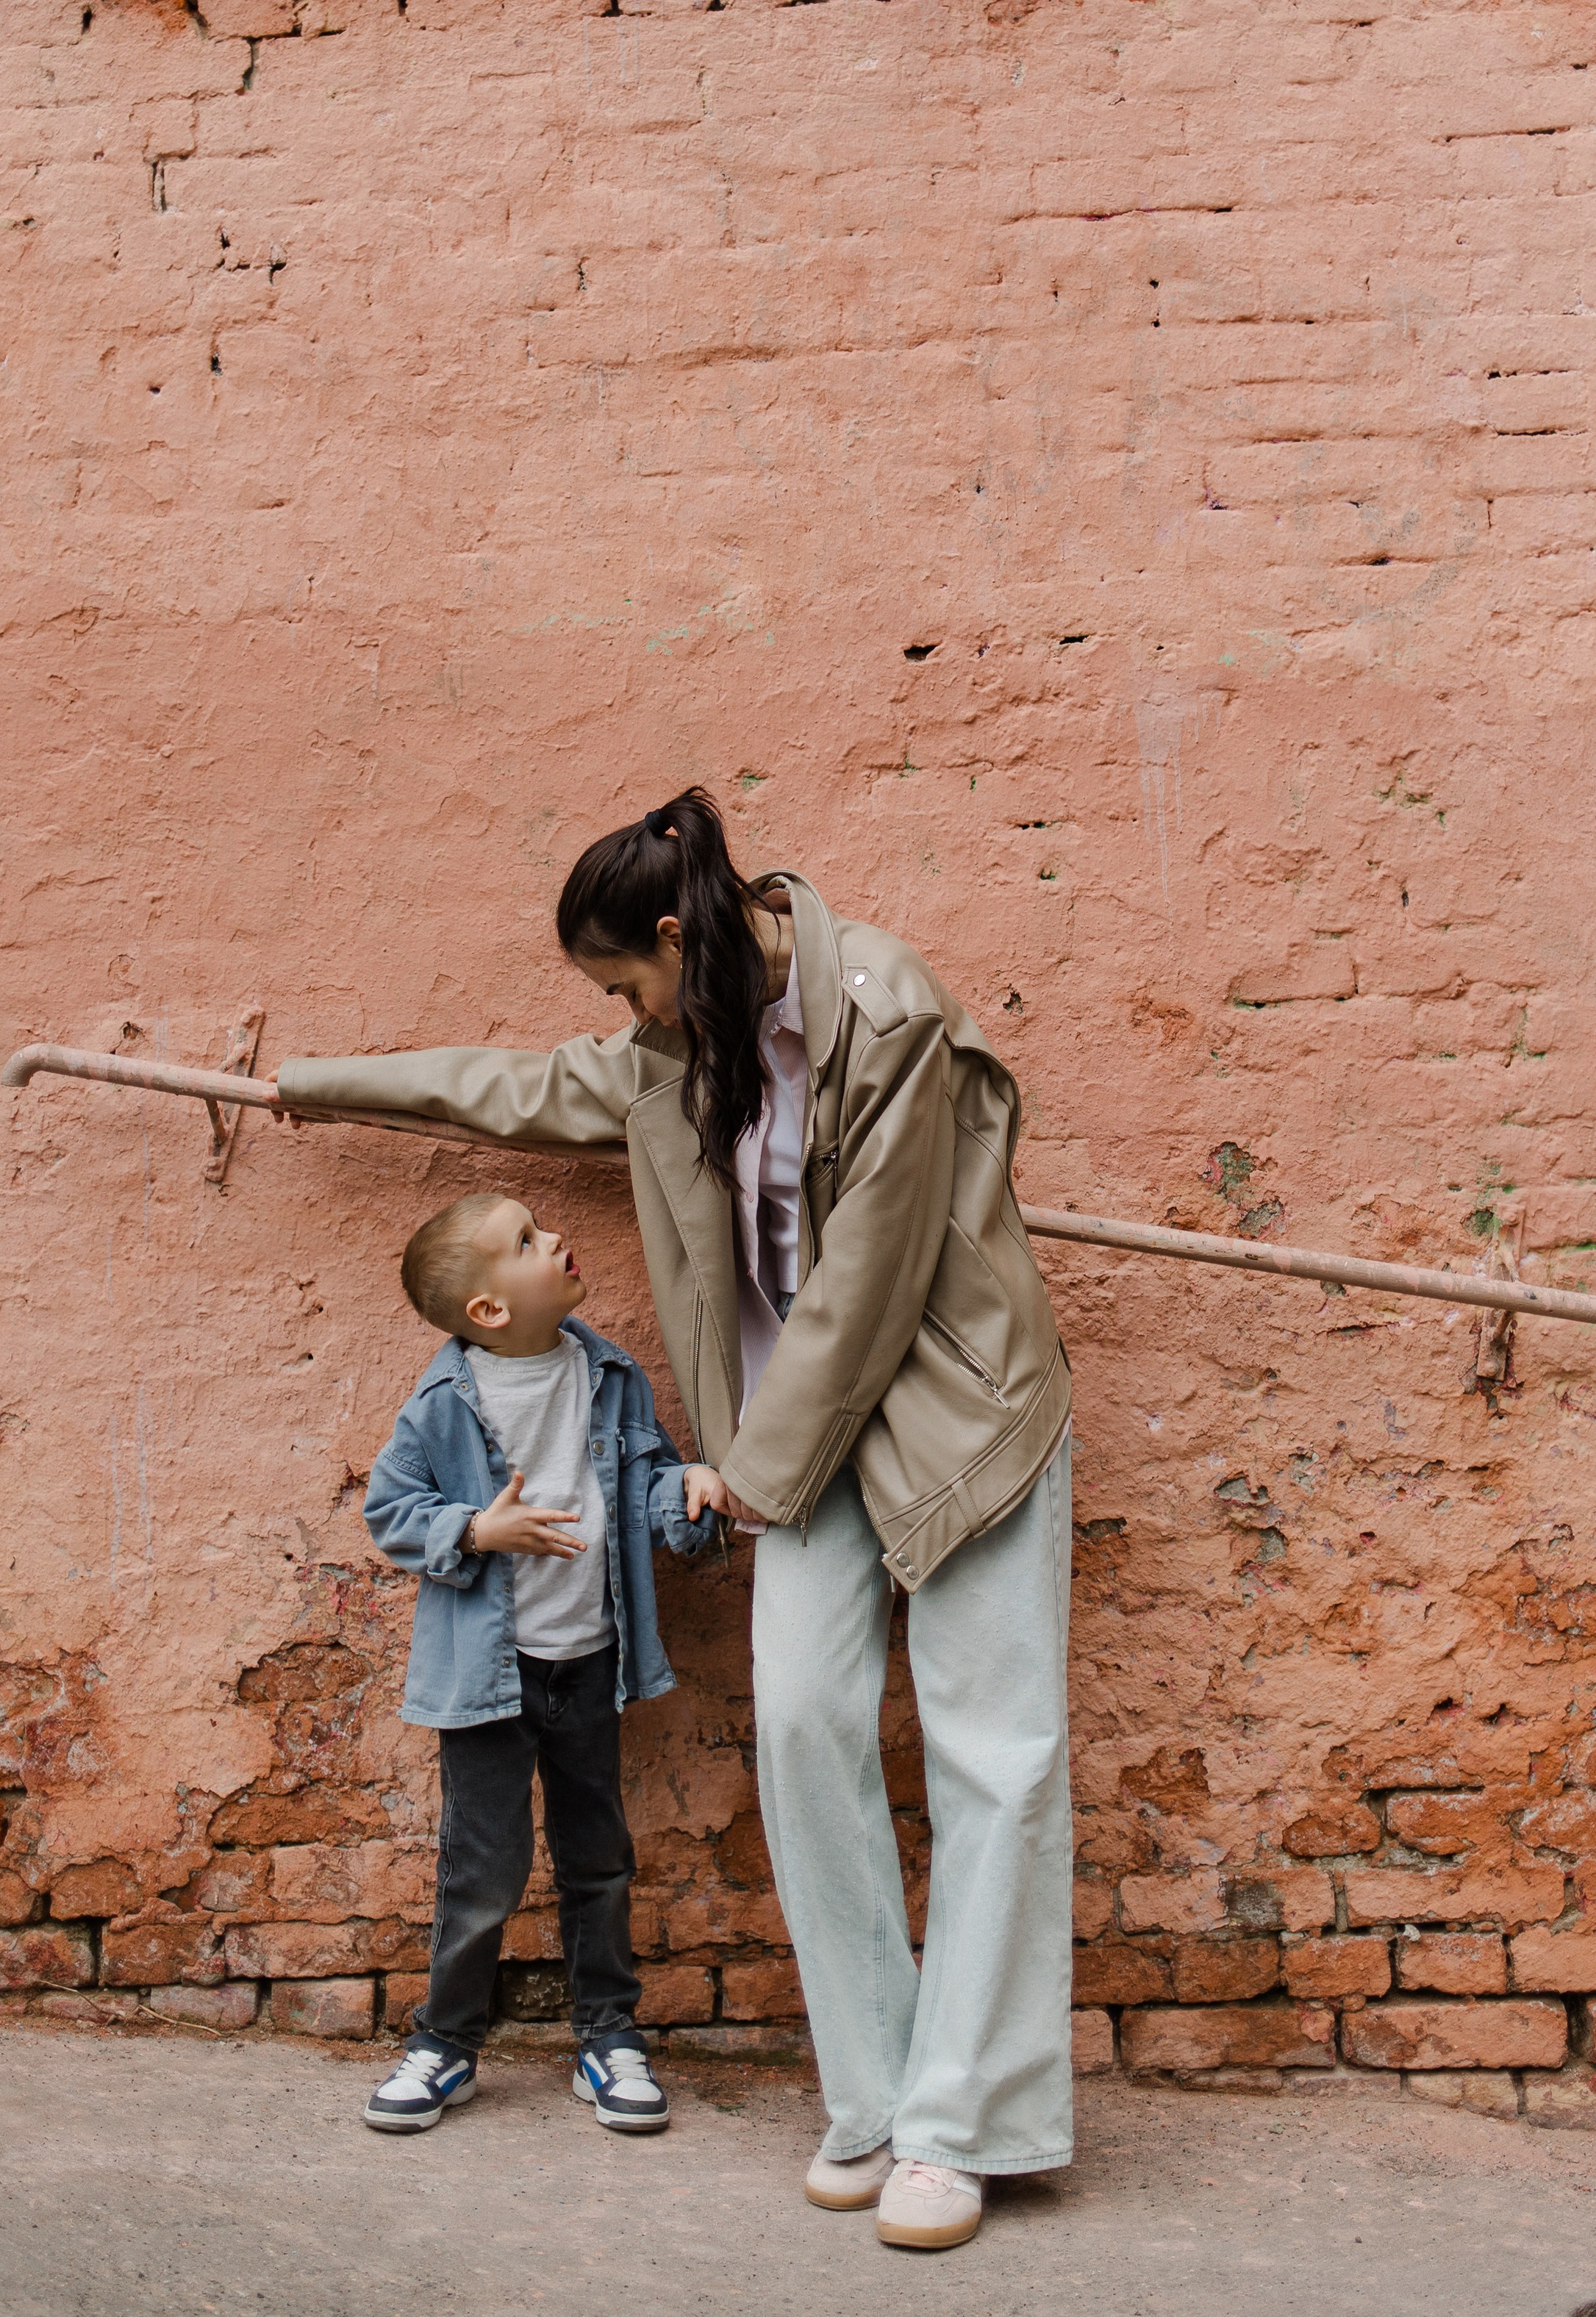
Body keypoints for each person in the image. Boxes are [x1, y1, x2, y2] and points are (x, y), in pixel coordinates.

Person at [280, 789, 1073, 2252]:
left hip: (957, 1415)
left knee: (992, 1755)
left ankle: (961, 2128)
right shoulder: (675, 1050)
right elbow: (505, 1089)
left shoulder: (885, 1010)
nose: (619, 1012)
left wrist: (750, 1480)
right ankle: (880, 2101)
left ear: (672, 934)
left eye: (620, 981)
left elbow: (865, 1284)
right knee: (799, 1728)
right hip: (794, 1443)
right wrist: (307, 1082)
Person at [358, 1186, 723, 2137]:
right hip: (491, 1675)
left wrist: (685, 1492)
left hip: (588, 1661)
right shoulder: (443, 1405)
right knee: (482, 1866)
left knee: (596, 1857)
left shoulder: (608, 1375)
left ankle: (608, 2039)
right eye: (526, 1239)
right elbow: (389, 1511)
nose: (554, 1237)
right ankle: (445, 2045)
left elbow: (642, 1480)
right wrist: (478, 1527)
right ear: (488, 1310)